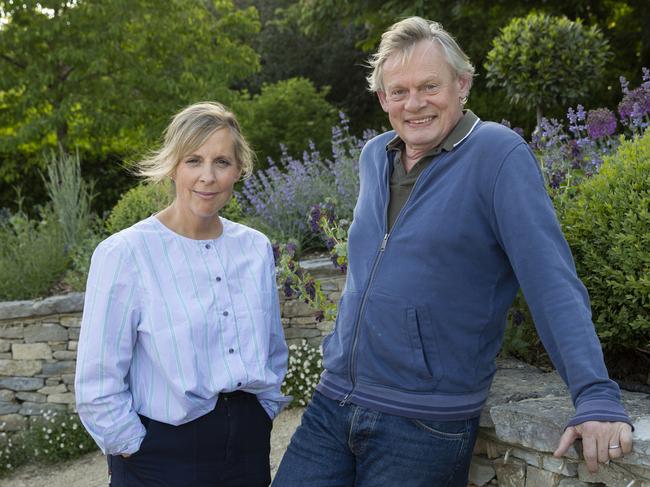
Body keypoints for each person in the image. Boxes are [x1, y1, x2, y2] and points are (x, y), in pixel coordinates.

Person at [272, 17, 633, 487]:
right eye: (398, 91)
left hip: (422, 423)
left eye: (429, 86)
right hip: (333, 402)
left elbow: (551, 283)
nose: (414, 103)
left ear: (461, 84)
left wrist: (595, 395)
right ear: (382, 99)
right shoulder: (374, 156)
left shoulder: (498, 154)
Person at [75, 101, 290, 487]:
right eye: (194, 160)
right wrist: (134, 447)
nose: (207, 176)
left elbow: (272, 347)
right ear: (173, 165)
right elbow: (98, 380)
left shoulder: (255, 248)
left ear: (238, 170)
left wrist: (263, 411)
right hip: (161, 456)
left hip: (247, 448)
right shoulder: (124, 254)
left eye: (221, 162)